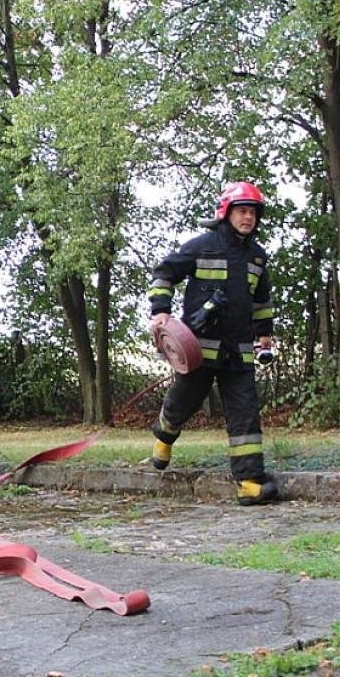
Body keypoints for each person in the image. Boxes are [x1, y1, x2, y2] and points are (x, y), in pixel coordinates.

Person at [147, 181, 279, 506]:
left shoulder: (258, 259)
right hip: (198, 350)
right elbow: (164, 273)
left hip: (239, 352)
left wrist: (265, 334)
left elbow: (261, 301)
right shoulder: (200, 246)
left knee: (245, 415)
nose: (248, 218)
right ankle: (164, 437)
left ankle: (249, 482)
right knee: (181, 402)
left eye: (252, 212)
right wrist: (161, 311)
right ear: (227, 212)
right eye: (242, 211)